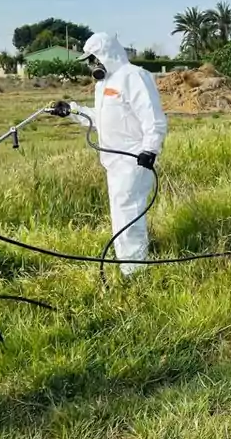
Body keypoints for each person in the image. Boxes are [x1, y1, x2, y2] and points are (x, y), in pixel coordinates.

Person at [69, 32, 168, 277]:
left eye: (93, 59)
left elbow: (153, 119)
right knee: (122, 215)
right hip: (113, 163)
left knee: (128, 216)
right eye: (89, 61)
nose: (92, 65)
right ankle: (128, 265)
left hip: (134, 159)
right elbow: (100, 118)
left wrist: (150, 149)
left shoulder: (134, 76)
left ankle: (134, 274)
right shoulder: (103, 84)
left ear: (106, 54)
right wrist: (72, 111)